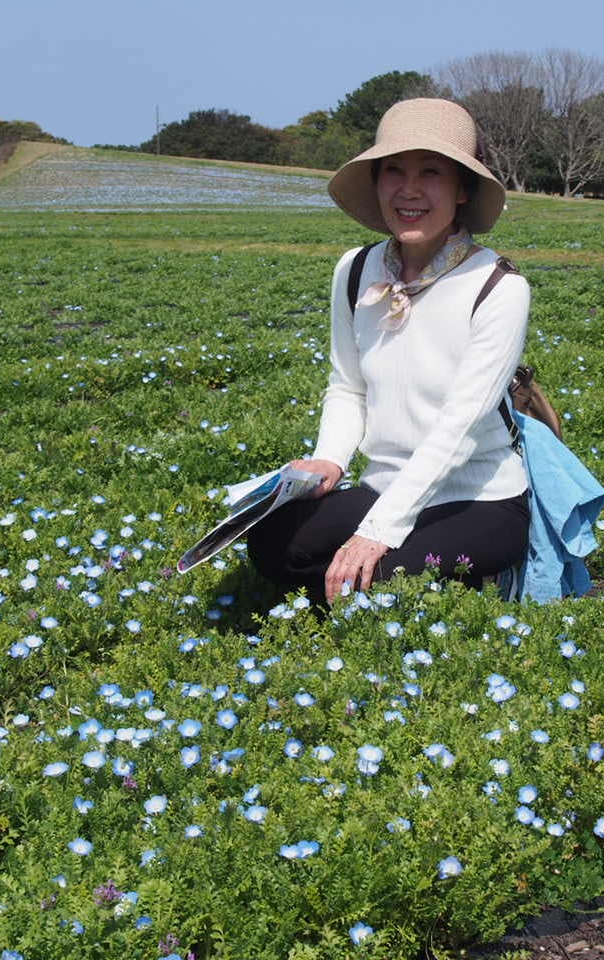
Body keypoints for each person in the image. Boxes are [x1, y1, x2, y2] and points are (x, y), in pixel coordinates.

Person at [248, 98, 531, 605]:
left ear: (463, 188)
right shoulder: (355, 270)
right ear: (376, 183)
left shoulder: (497, 286)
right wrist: (330, 460)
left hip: (478, 501)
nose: (409, 190)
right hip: (383, 485)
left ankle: (437, 587)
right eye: (393, 171)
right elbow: (346, 385)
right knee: (271, 543)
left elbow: (459, 426)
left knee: (374, 579)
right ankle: (397, 589)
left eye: (431, 173)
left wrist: (377, 530)